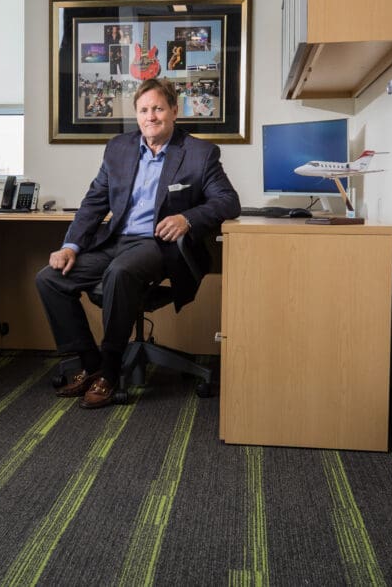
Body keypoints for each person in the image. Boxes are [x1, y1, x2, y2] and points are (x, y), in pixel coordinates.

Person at [35, 78, 240, 408]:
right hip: (116, 239)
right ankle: (90, 363)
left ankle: (109, 371)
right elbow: (93, 203)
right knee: (50, 278)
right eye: (144, 110)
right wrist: (70, 246)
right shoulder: (119, 148)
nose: (151, 117)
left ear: (174, 111)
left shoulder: (199, 153)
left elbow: (228, 201)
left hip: (158, 245)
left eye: (158, 109)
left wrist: (187, 218)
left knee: (120, 272)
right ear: (136, 114)